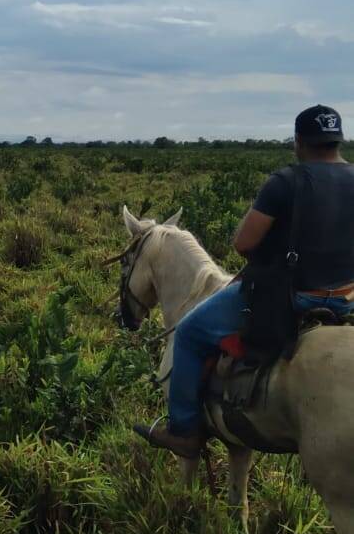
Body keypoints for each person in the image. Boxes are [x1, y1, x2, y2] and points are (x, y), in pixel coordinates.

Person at [135, 104, 354, 459]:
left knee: (189, 334)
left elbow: (244, 244)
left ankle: (184, 431)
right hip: (346, 298)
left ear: (298, 141)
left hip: (293, 298)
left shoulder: (286, 182)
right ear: (337, 141)